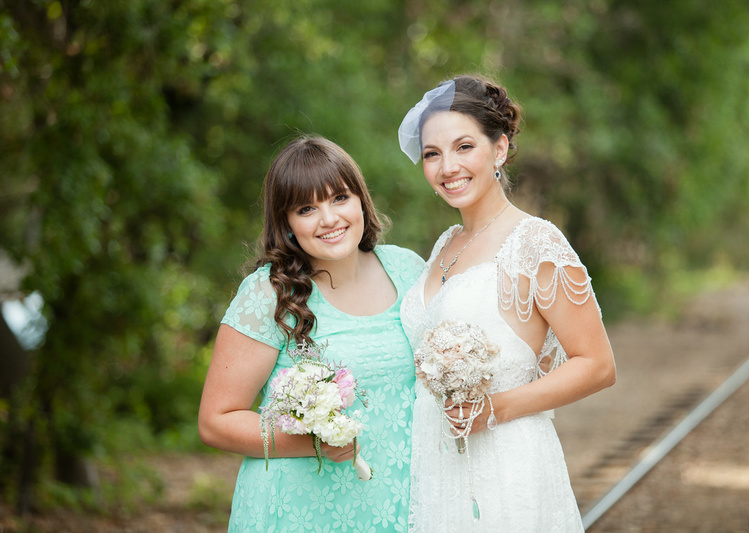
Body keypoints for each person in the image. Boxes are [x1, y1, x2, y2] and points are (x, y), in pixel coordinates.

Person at [397, 75, 616, 531]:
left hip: (507, 463)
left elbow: (597, 364)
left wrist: (494, 409)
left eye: (463, 147)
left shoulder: (535, 242)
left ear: (498, 149)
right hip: (437, 466)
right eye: (432, 154)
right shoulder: (445, 244)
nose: (446, 167)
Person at [198, 136, 425, 532]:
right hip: (298, 511)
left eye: (339, 198)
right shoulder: (269, 294)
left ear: (361, 200)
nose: (329, 219)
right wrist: (315, 442)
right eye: (307, 208)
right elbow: (216, 421)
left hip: (397, 505)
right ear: (286, 223)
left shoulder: (409, 270)